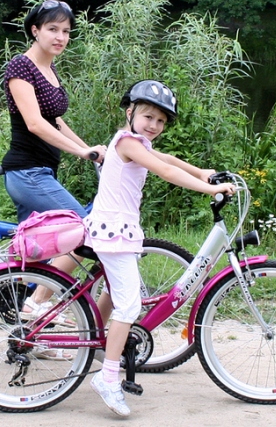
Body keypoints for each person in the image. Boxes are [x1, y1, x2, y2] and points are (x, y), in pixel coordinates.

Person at [86, 80, 235, 417]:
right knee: (129, 306)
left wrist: (201, 171)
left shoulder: (135, 141)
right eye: (148, 117)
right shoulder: (127, 142)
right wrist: (207, 189)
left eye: (160, 121)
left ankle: (97, 344)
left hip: (115, 229)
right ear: (130, 112)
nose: (153, 125)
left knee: (117, 292)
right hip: (113, 233)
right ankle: (108, 378)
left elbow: (165, 157)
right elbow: (164, 169)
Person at [1, 0, 106, 315]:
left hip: (41, 172)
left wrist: (91, 151)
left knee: (32, 255)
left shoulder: (49, 67)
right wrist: (79, 152)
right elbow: (34, 123)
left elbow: (56, 120)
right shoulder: (20, 67)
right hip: (27, 173)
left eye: (66, 31)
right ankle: (36, 307)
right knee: (85, 230)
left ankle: (23, 327)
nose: (60, 37)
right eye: (52, 29)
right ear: (35, 30)